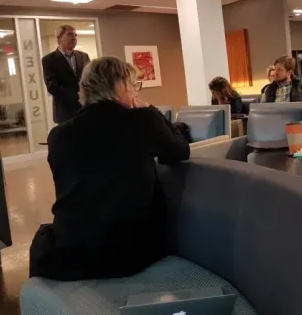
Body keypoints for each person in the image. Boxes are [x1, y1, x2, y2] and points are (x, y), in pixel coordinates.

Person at [29, 57, 190, 281]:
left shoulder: (59, 135)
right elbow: (180, 151)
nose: (136, 93)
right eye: (134, 86)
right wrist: (153, 112)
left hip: (74, 252)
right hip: (132, 251)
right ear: (119, 85)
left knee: (42, 238)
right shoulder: (142, 120)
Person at [42, 25, 91, 124]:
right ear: (59, 38)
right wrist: (77, 96)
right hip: (64, 111)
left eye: (75, 35)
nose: (74, 38)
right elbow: (52, 86)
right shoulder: (49, 59)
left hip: (85, 109)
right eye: (70, 34)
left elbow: (90, 79)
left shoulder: (83, 56)